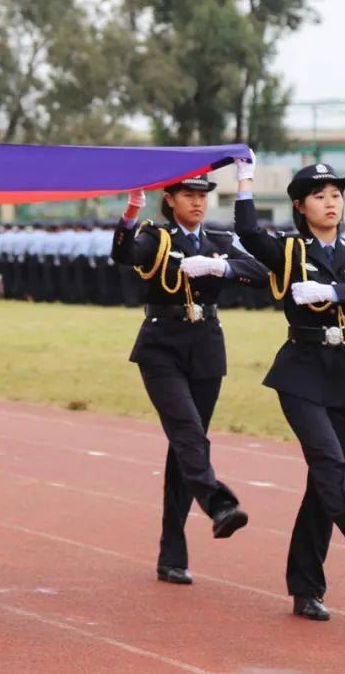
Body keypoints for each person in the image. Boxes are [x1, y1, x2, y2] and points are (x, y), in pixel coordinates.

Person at [234, 156, 345, 622]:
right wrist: (245, 178)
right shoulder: (289, 252)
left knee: (323, 484)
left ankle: (306, 588)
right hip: (301, 371)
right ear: (300, 206)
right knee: (329, 465)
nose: (331, 203)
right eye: (320, 196)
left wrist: (335, 294)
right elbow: (247, 233)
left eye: (336, 195)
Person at [111, 176, 266, 585]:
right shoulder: (157, 238)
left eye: (203, 196)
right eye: (189, 195)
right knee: (188, 433)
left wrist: (222, 265)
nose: (198, 203)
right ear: (170, 199)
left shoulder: (218, 239)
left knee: (187, 445)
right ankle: (218, 503)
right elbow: (124, 254)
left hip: (206, 347)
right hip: (162, 346)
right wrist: (130, 212)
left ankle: (172, 554)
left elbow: (261, 272)